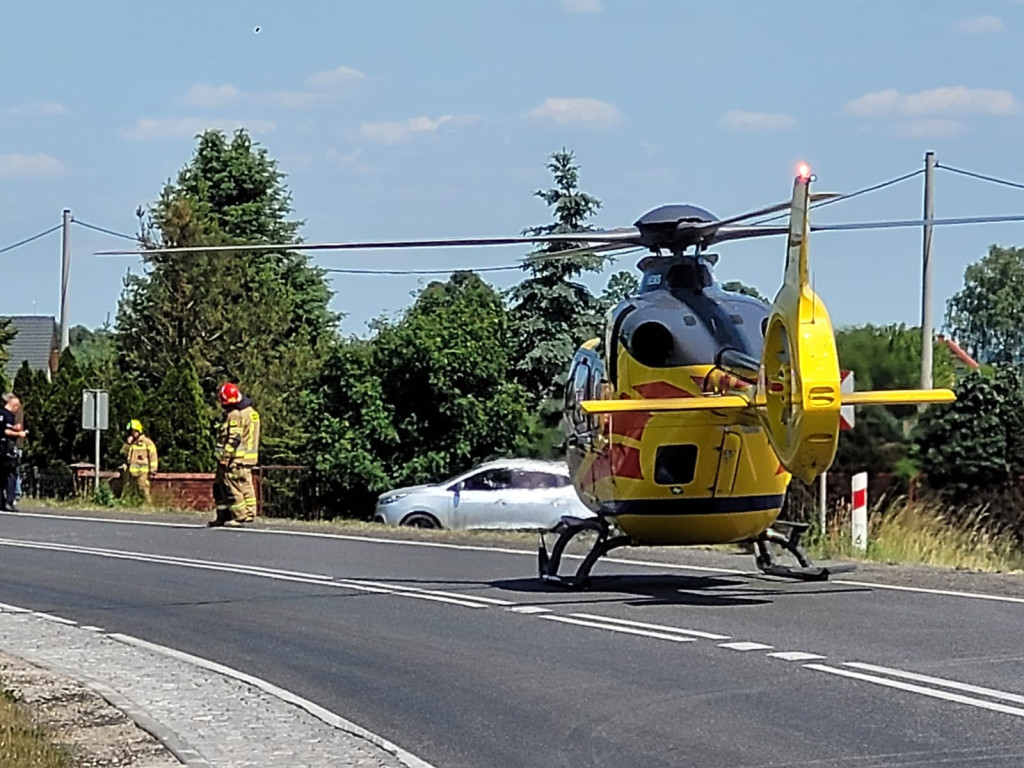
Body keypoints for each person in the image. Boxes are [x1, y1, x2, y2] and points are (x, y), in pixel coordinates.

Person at [208, 382, 260, 528]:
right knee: (242, 485)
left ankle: (239, 516)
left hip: (235, 458)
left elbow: (234, 438)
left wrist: (225, 456)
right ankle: (244, 513)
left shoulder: (235, 415)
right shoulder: (251, 413)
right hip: (244, 458)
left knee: (233, 486)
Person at [120, 419, 159, 505]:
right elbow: (122, 453)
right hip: (130, 473)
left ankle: (148, 505)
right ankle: (130, 505)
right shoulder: (131, 444)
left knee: (143, 489)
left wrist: (153, 469)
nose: (132, 433)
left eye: (134, 431)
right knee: (128, 490)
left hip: (142, 472)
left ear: (138, 431)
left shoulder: (147, 443)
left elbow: (153, 456)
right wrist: (127, 444)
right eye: (131, 431)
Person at [0, 394, 27, 512]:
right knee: (11, 475)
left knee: (2, 477)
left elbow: (8, 427)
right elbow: (3, 430)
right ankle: (8, 502)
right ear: (14, 406)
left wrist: (15, 428)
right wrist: (19, 434)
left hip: (5, 448)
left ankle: (2, 502)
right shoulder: (3, 414)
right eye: (17, 407)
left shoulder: (7, 415)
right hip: (4, 449)